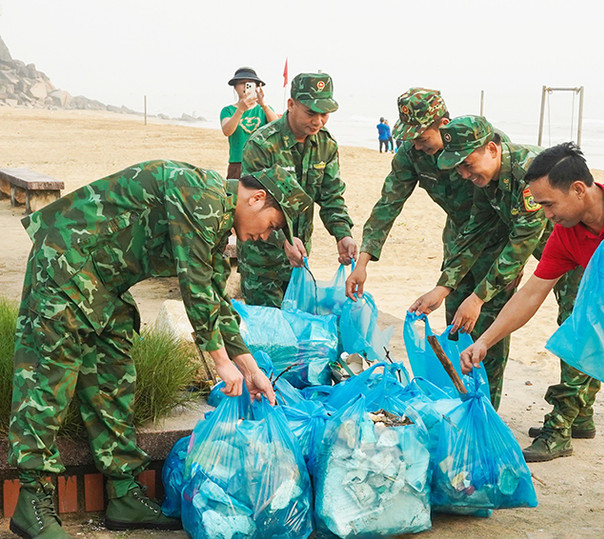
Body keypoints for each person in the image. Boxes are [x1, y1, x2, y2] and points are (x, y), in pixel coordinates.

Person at [8, 160, 312, 538]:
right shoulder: (200, 193)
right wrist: (222, 364)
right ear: (257, 199)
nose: (266, 237)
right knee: (46, 384)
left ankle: (123, 495)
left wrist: (251, 371)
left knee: (112, 380)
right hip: (66, 263)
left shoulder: (216, 226)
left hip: (103, 283)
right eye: (273, 225)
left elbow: (216, 303)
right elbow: (195, 286)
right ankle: (32, 502)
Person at [458, 142, 604, 535]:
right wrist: (485, 340)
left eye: (549, 204)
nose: (546, 214)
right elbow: (533, 291)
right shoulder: (566, 234)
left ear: (578, 189)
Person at [347, 89, 521, 412]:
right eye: (409, 137)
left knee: (489, 327)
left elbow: (514, 217)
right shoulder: (412, 155)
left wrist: (499, 276)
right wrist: (363, 261)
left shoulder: (479, 146)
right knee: (456, 322)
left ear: (442, 123)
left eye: (420, 136)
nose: (415, 144)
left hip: (497, 240)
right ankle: (461, 402)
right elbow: (388, 203)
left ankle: (486, 413)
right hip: (459, 239)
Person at [407, 115, 579, 418]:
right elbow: (476, 229)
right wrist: (444, 286)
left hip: (577, 247)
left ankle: (567, 421)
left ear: (491, 149)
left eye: (467, 164)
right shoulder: (488, 179)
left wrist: (478, 297)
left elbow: (521, 243)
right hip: (550, 246)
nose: (463, 174)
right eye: (458, 167)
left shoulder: (529, 172)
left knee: (574, 326)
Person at [238, 72, 357, 307]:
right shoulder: (262, 145)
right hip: (262, 262)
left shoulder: (325, 144)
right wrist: (284, 240)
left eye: (325, 114)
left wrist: (342, 234)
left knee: (295, 332)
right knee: (268, 335)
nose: (318, 121)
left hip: (299, 262)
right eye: (311, 113)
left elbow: (331, 195)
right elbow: (251, 208)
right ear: (291, 105)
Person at [220, 67, 280, 179]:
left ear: (257, 87)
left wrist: (264, 105)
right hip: (238, 162)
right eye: (242, 83)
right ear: (235, 87)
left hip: (262, 162)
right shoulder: (228, 110)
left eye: (250, 84)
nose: (245, 86)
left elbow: (278, 128)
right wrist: (240, 110)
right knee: (235, 195)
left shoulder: (264, 110)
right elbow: (227, 131)